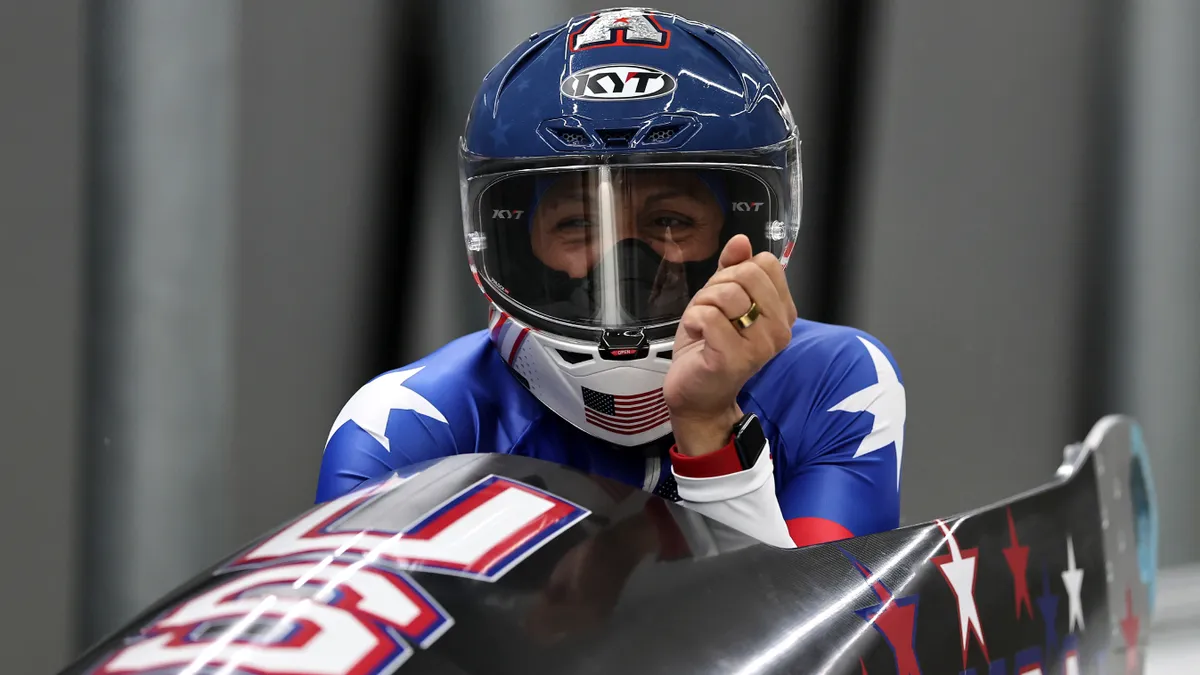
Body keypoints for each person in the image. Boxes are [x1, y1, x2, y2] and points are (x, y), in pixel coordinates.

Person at [317, 7, 906, 550]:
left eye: (670, 221)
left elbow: (836, 626)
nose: (622, 264)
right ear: (514, 245)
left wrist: (710, 428)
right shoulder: (406, 423)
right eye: (577, 224)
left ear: (742, 231)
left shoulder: (832, 382)